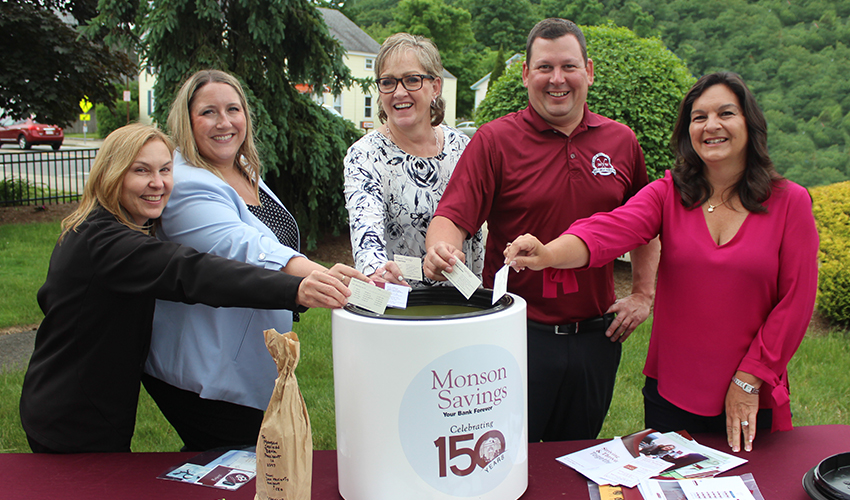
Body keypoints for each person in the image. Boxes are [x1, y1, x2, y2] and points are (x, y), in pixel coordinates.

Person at [504, 72, 819, 453]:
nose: (711, 125)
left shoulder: (791, 202)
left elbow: (796, 301)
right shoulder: (668, 193)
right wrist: (549, 253)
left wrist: (749, 379)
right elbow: (609, 230)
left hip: (750, 393)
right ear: (688, 131)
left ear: (749, 124)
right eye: (699, 117)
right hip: (672, 395)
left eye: (725, 113)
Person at [19, 124, 364, 453]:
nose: (158, 183)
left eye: (165, 170)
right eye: (141, 171)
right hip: (74, 415)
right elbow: (193, 272)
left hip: (81, 399)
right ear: (111, 175)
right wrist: (295, 289)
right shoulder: (108, 243)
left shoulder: (99, 227)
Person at [424, 18, 661, 443]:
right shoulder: (496, 141)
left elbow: (646, 226)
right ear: (525, 74)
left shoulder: (621, 142)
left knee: (577, 455)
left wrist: (644, 294)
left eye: (568, 67)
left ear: (588, 71)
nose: (557, 79)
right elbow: (453, 216)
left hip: (596, 337)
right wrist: (442, 249)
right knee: (505, 454)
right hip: (516, 334)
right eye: (544, 67)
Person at [141, 70, 368, 452]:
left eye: (233, 109)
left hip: (245, 361)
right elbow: (244, 247)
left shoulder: (242, 170)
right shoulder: (186, 184)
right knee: (234, 459)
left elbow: (271, 240)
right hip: (204, 369)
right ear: (187, 120)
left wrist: (330, 275)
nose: (225, 122)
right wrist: (321, 277)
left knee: (232, 463)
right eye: (208, 112)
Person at [344, 32, 484, 286]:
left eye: (412, 80)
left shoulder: (463, 147)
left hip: (464, 304)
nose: (399, 92)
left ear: (435, 87)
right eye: (388, 82)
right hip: (402, 306)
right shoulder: (365, 155)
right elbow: (366, 230)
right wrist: (376, 271)